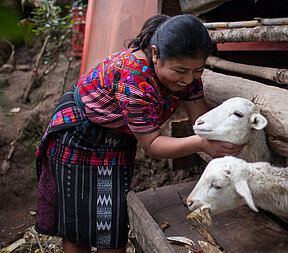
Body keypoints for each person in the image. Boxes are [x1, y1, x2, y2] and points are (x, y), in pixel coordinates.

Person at [35, 14, 243, 253]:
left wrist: (226, 136)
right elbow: (152, 145)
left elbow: (202, 122)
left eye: (198, 70)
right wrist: (201, 144)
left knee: (112, 226)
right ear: (155, 55)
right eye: (180, 71)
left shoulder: (190, 77)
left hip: (117, 139)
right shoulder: (134, 79)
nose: (187, 79)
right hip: (77, 136)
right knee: (78, 227)